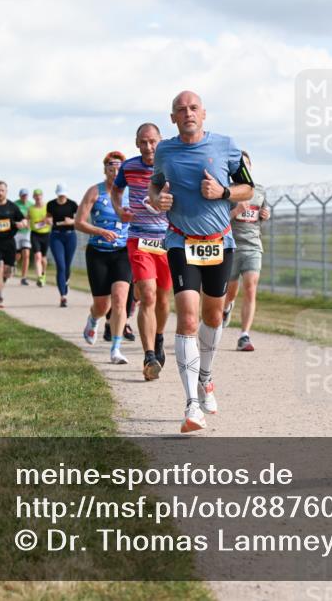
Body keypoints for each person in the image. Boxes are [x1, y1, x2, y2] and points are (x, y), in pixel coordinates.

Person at [149, 90, 255, 433]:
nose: (188, 113)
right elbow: (154, 188)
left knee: (213, 315)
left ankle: (205, 377)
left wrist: (223, 193)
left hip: (219, 242)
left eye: (193, 108)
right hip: (181, 241)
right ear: (173, 118)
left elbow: (248, 189)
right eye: (181, 109)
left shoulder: (226, 146)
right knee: (188, 319)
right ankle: (191, 405)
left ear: (204, 114)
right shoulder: (164, 150)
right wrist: (158, 199)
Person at [111, 123, 174, 381]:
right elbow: (117, 190)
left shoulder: (171, 166)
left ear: (160, 141)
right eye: (143, 142)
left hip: (169, 242)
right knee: (147, 294)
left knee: (162, 298)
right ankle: (149, 356)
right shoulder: (129, 167)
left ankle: (158, 338)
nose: (148, 147)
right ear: (137, 144)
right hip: (139, 239)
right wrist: (119, 210)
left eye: (152, 141)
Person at [75, 151, 133, 364]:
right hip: (98, 253)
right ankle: (93, 319)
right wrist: (100, 232)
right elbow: (79, 222)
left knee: (119, 298)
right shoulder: (95, 192)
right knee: (102, 305)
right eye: (111, 167)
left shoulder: (131, 192)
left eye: (119, 167)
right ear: (105, 169)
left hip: (123, 252)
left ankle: (115, 349)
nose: (115, 171)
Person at [222, 150, 271, 351]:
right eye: (240, 163)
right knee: (231, 291)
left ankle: (244, 335)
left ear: (250, 167)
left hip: (253, 246)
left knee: (250, 286)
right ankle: (226, 309)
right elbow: (219, 220)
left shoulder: (259, 191)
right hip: (231, 246)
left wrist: (266, 215)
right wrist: (236, 211)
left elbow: (261, 214)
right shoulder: (227, 191)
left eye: (246, 163)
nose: (244, 166)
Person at [46, 184, 78, 307]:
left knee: (67, 265)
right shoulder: (51, 204)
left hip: (70, 236)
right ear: (57, 194)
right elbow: (48, 218)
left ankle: (66, 281)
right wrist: (48, 220)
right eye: (60, 194)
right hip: (56, 236)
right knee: (61, 265)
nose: (62, 196)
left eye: (63, 194)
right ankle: (63, 296)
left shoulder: (72, 204)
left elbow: (81, 218)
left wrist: (71, 221)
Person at [27, 188, 51, 287]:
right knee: (37, 256)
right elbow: (27, 218)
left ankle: (43, 274)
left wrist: (49, 221)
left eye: (39, 195)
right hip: (35, 234)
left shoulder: (47, 207)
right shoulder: (31, 208)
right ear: (33, 197)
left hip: (46, 234)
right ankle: (40, 278)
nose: (38, 197)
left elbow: (51, 218)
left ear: (42, 196)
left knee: (44, 259)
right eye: (36, 195)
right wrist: (27, 224)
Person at [14, 188, 33, 285]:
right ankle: (14, 263)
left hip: (26, 233)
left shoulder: (31, 205)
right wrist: (17, 223)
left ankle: (24, 278)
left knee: (26, 254)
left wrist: (30, 224)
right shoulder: (15, 204)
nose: (24, 197)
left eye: (26, 195)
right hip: (16, 232)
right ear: (20, 196)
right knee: (17, 255)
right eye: (23, 195)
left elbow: (33, 217)